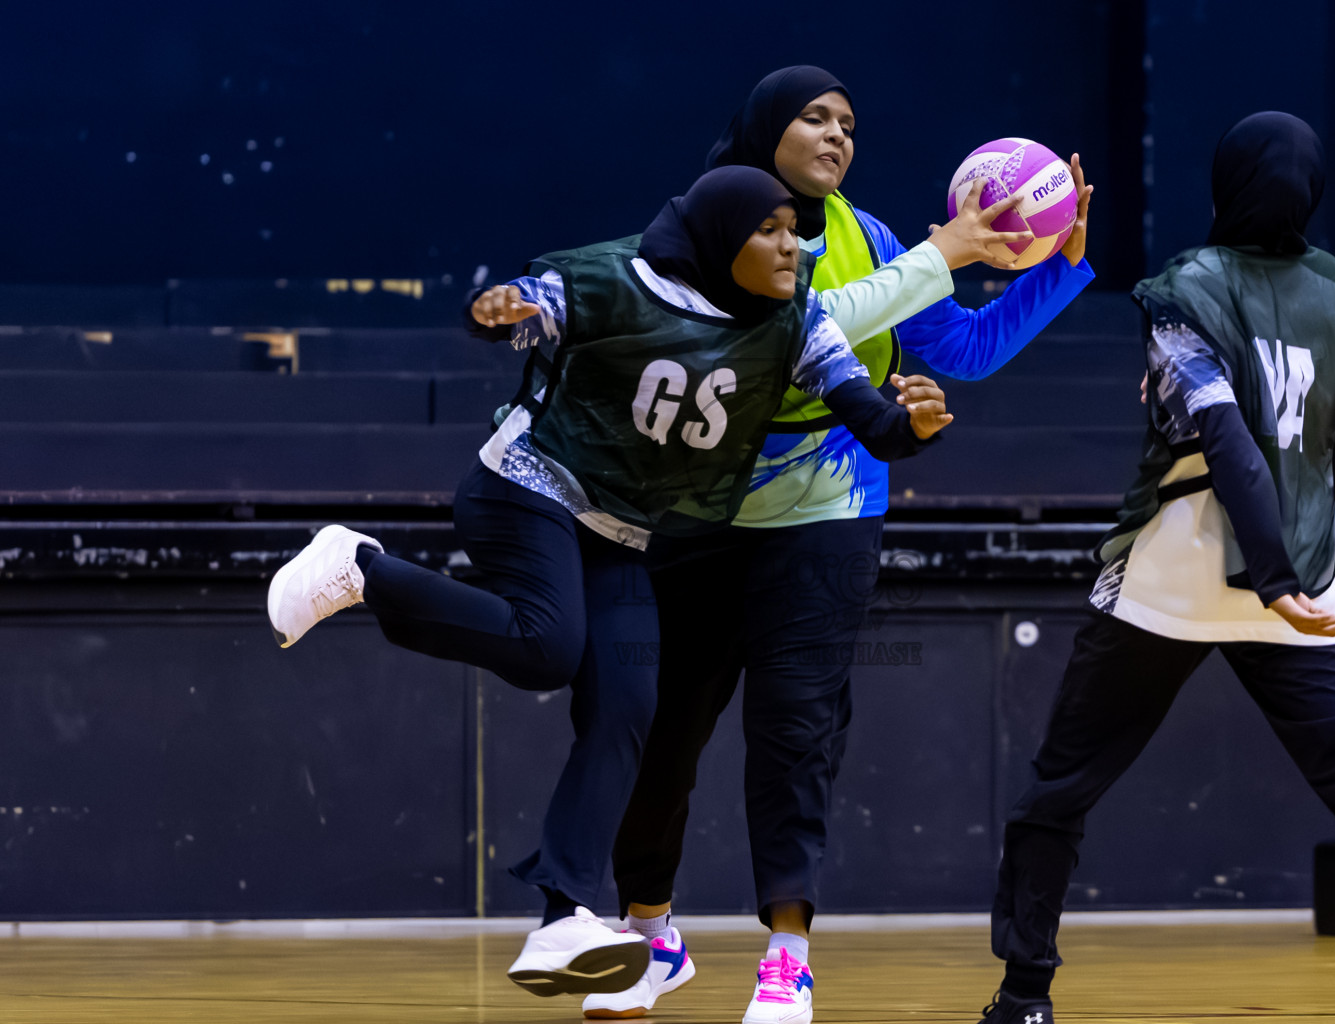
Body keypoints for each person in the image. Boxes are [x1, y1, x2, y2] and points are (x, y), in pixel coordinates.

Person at [265, 166, 954, 1001]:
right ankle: (362, 569)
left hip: (621, 531)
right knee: (549, 647)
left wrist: (910, 424)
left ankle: (563, 914)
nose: (790, 245)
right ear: (717, 239)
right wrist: (501, 309)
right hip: (529, 486)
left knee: (630, 707)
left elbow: (870, 419)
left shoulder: (799, 316)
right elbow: (529, 300)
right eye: (768, 230)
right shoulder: (620, 277)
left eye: (792, 231)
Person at [977, 111, 1335, 1024]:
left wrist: (1266, 570)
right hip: (1306, 582)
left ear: (1223, 183)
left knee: (1059, 789)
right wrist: (1303, 577)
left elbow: (1224, 436)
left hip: (1180, 576)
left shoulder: (1182, 288)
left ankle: (1025, 994)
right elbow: (1334, 450)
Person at [593, 66, 1096, 1024]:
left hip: (828, 516)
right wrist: (941, 254)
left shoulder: (869, 237)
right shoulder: (698, 229)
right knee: (664, 736)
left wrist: (1061, 268)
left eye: (849, 124)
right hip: (696, 513)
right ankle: (649, 934)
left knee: (796, 738)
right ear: (763, 130)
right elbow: (792, 332)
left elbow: (966, 350)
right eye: (813, 118)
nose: (835, 136)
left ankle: (788, 959)